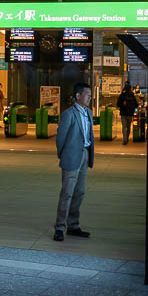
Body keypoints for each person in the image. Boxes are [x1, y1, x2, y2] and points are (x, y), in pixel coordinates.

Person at [53, 82, 95, 242]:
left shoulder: (89, 113)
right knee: (67, 193)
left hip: (84, 155)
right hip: (71, 157)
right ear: (78, 96)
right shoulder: (68, 114)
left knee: (80, 192)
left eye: (90, 95)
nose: (90, 97)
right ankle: (59, 227)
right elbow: (60, 138)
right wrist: (63, 155)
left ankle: (73, 225)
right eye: (87, 94)